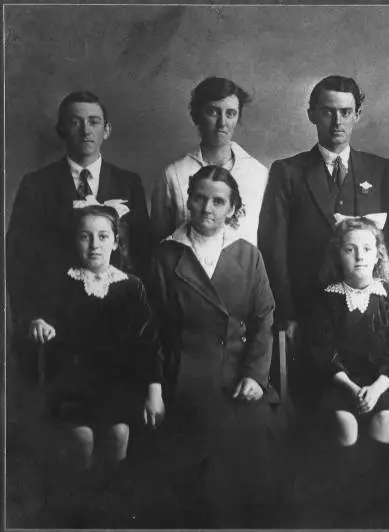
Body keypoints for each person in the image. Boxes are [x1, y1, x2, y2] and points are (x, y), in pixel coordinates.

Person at [258, 75, 389, 416]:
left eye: (346, 112)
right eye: (327, 112)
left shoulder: (381, 171)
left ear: (357, 115)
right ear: (312, 114)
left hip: (369, 319)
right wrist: (287, 315)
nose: (337, 121)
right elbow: (273, 248)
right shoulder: (288, 172)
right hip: (309, 316)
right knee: (317, 412)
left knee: (376, 409)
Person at [150, 165, 284, 528]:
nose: (207, 208)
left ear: (233, 208)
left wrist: (256, 376)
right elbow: (153, 330)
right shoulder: (166, 255)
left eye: (218, 201)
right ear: (188, 201)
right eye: (199, 198)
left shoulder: (247, 255)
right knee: (205, 445)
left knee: (256, 437)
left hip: (238, 373)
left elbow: (263, 319)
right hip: (183, 376)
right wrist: (155, 387)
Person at [28, 203, 164, 526]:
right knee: (82, 439)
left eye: (103, 237)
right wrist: (40, 323)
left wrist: (154, 390)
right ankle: (79, 511)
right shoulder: (63, 283)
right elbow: (40, 317)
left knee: (118, 433)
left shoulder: (132, 287)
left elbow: (148, 345)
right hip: (73, 384)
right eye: (85, 237)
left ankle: (108, 510)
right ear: (75, 241)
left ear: (116, 242)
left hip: (118, 385)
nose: (94, 245)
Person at [8, 91, 151, 379]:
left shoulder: (128, 182)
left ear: (106, 130)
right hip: (58, 322)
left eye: (94, 122)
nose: (86, 130)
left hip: (117, 321)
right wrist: (33, 315)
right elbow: (18, 257)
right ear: (62, 130)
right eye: (75, 122)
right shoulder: (37, 185)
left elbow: (143, 253)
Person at [305, 217, 389, 526]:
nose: (360, 256)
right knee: (345, 423)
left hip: (382, 383)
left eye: (367, 248)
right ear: (338, 254)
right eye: (351, 249)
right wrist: (352, 389)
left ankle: (379, 506)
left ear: (379, 254)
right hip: (340, 383)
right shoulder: (328, 297)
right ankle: (348, 507)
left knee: (384, 418)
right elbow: (323, 353)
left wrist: (377, 388)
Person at [150, 76, 268, 246]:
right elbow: (158, 245)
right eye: (213, 111)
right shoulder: (174, 174)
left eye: (230, 113)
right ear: (197, 116)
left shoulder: (258, 174)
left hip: (242, 271)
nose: (222, 123)